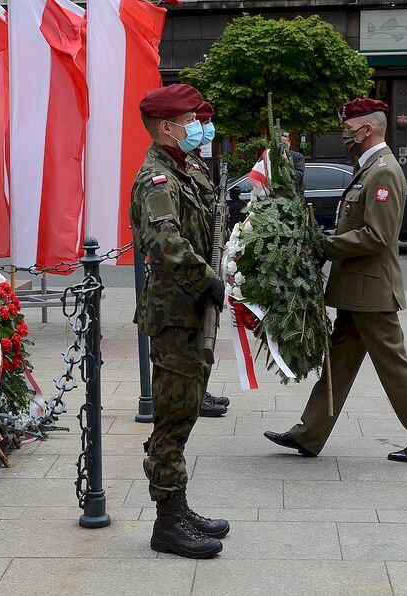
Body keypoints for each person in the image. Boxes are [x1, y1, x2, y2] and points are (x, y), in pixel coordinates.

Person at [264, 98, 407, 463]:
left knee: (395, 367)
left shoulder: (383, 171)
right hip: (358, 291)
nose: (344, 134)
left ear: (367, 129)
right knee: (339, 364)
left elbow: (377, 236)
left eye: (348, 129)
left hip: (372, 292)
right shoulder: (369, 168)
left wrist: (324, 245)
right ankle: (309, 434)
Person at [130, 84, 229, 559]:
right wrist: (209, 280)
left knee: (185, 412)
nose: (200, 127)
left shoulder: (186, 169)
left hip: (192, 310)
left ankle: (180, 506)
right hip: (175, 314)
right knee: (172, 419)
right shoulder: (157, 180)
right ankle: (168, 522)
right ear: (167, 126)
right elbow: (166, 246)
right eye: (192, 120)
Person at [189, 101, 230, 418]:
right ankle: (194, 395)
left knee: (203, 329)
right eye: (203, 124)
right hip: (194, 263)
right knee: (194, 334)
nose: (206, 130)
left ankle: (199, 390)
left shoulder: (197, 162)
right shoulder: (187, 165)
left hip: (205, 257)